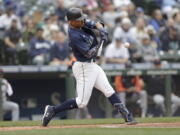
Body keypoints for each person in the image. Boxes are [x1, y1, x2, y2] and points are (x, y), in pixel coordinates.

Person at [42, 7, 137, 126]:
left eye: (82, 19)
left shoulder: (80, 23)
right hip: (83, 67)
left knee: (108, 90)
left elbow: (97, 23)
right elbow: (89, 54)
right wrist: (101, 40)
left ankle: (127, 116)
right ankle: (52, 110)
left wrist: (101, 30)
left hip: (93, 66)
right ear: (71, 21)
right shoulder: (74, 35)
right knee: (81, 102)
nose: (82, 21)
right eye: (79, 20)